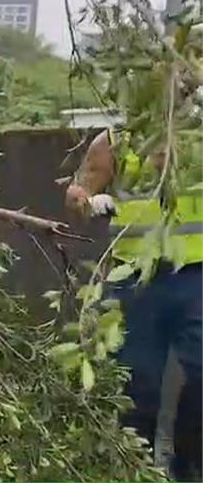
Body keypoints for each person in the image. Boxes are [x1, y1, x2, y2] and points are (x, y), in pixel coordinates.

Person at [65, 126, 201, 481]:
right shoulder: (115, 142)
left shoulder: (197, 133)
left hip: (198, 276)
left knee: (200, 381)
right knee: (136, 384)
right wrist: (86, 200)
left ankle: (189, 468)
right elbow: (79, 190)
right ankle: (133, 469)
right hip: (134, 279)